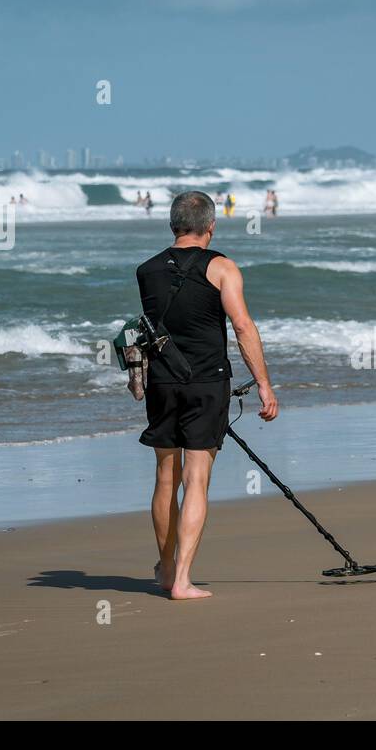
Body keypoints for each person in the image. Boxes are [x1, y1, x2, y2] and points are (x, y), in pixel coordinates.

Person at [133, 190, 278, 600]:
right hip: (206, 382)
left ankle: (165, 571)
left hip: (161, 380)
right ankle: (182, 580)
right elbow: (243, 327)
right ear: (211, 227)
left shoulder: (146, 270)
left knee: (165, 477)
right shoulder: (222, 268)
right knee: (196, 479)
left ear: (172, 224)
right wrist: (264, 383)